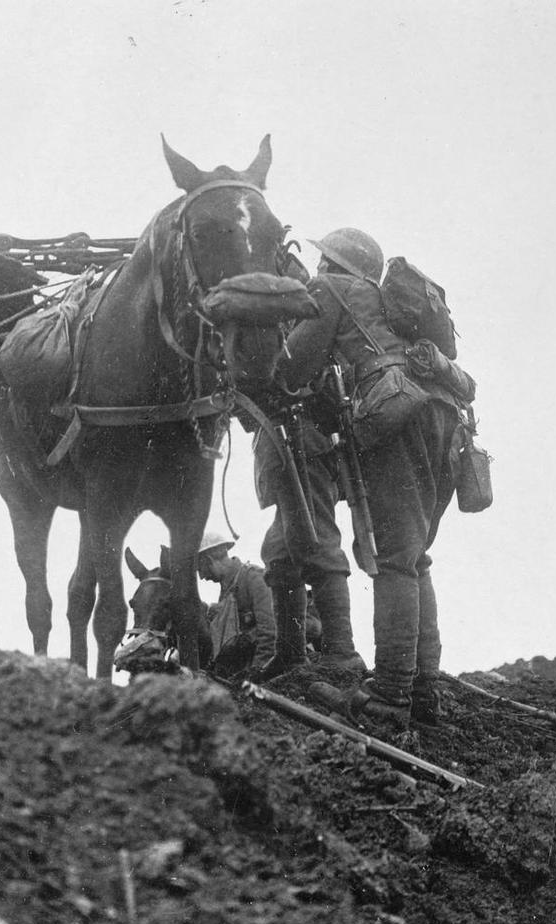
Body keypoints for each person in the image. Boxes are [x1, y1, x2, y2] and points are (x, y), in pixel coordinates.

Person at [280, 227, 466, 729]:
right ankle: (423, 692)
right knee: (414, 558)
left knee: (393, 561)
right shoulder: (392, 309)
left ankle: (389, 696)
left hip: (399, 415)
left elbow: (292, 368)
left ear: (335, 264)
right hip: (448, 421)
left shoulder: (332, 290)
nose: (316, 271)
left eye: (323, 262)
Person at [252, 408, 367, 682]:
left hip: (303, 442)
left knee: (316, 544)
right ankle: (290, 654)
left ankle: (342, 652)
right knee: (279, 552)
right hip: (285, 442)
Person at [195, 532, 277, 678]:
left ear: (208, 559)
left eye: (200, 569)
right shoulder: (226, 589)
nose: (201, 577)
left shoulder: (253, 578)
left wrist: (256, 674)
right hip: (238, 669)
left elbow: (270, 633)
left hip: (262, 669)